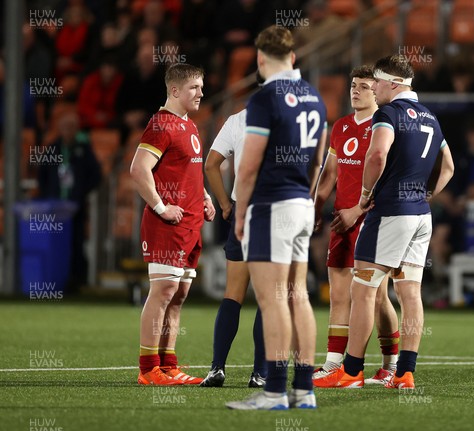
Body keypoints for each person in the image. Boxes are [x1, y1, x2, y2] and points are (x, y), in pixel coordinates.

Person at [315, 54, 454, 389]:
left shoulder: (388, 113)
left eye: (376, 81)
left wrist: (364, 196)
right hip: (421, 214)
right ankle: (404, 373)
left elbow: (377, 155)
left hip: (390, 212)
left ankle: (349, 372)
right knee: (410, 294)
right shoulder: (431, 117)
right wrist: (427, 194)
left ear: (393, 83)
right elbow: (448, 166)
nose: (373, 87)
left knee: (362, 291)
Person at [226, 25, 327, 410]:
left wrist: (240, 214)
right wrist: (310, 201)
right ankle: (304, 391)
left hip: (271, 206)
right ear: (294, 58)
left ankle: (274, 392)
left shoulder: (265, 98)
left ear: (260, 60)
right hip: (301, 204)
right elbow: (319, 160)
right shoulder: (315, 96)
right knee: (298, 296)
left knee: (271, 301)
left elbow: (247, 167)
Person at [311, 65, 400, 386]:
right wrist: (316, 205)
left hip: (373, 219)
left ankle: (391, 366)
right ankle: (333, 364)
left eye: (363, 86)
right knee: (338, 293)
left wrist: (357, 208)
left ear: (377, 90)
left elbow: (385, 172)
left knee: (377, 296)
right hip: (341, 220)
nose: (356, 91)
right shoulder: (341, 126)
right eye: (353, 85)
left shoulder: (385, 124)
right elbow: (330, 174)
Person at [130, 62, 216, 385]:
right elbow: (139, 170)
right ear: (175, 90)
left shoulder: (189, 126)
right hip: (167, 224)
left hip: (190, 225)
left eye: (201, 86)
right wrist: (161, 206)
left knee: (178, 293)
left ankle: (168, 365)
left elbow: (186, 171)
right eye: (195, 87)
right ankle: (148, 368)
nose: (201, 92)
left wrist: (204, 196)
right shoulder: (161, 124)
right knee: (163, 290)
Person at [202, 108, 267, 387]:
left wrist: (225, 204)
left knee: (232, 296)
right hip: (275, 212)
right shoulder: (292, 116)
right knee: (268, 298)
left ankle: (217, 368)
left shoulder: (238, 118)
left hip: (243, 209)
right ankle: (260, 374)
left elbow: (210, 165)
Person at [38, 111, 102, 291]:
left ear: (77, 129)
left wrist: (81, 193)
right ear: (59, 129)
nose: (68, 131)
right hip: (55, 209)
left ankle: (76, 281)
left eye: (72, 127)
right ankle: (54, 279)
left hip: (76, 208)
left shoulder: (83, 149)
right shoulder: (52, 149)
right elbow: (42, 176)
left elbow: (96, 175)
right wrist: (48, 196)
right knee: (55, 244)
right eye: (65, 127)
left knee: (76, 243)